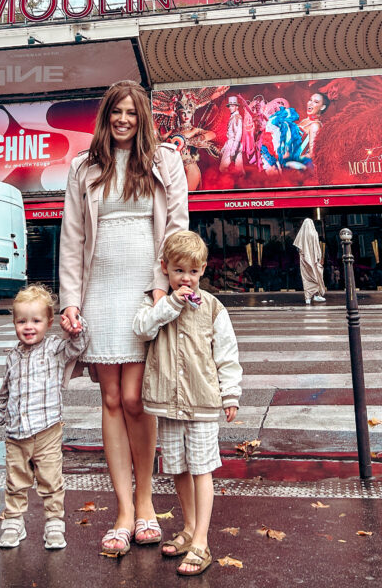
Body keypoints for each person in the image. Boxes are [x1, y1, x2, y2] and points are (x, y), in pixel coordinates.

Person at [58, 80, 189, 558]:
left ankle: (147, 502)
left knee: (137, 398)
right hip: (100, 292)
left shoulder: (165, 161)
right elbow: (72, 239)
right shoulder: (83, 168)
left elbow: (177, 226)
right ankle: (124, 511)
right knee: (111, 397)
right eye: (117, 112)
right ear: (106, 116)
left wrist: (162, 287)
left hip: (143, 288)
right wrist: (71, 300)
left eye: (132, 113)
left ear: (143, 118)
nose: (124, 120)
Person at [132, 230, 242, 577]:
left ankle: (202, 541)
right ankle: (190, 528)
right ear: (165, 269)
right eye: (179, 271)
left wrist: (231, 394)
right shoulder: (157, 303)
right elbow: (142, 329)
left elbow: (227, 354)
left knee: (201, 469)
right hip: (168, 402)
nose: (186, 279)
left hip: (202, 402)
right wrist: (169, 304)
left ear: (203, 271)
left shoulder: (212, 307)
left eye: (193, 272)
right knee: (178, 468)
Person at [0, 284, 88, 551]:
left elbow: (78, 347)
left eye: (36, 321)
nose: (28, 327)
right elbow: (5, 392)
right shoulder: (13, 356)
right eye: (22, 321)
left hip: (47, 432)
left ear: (49, 322)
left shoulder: (54, 348)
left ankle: (54, 523)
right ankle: (13, 522)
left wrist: (74, 329)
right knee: (15, 481)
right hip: (16, 435)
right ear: (15, 323)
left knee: (51, 480)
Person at [294, 217, 326, 304]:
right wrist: (319, 256)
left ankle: (308, 297)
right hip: (314, 259)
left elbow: (298, 247)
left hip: (305, 259)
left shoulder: (301, 234)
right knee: (316, 276)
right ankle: (316, 295)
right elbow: (317, 246)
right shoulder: (314, 233)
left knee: (307, 278)